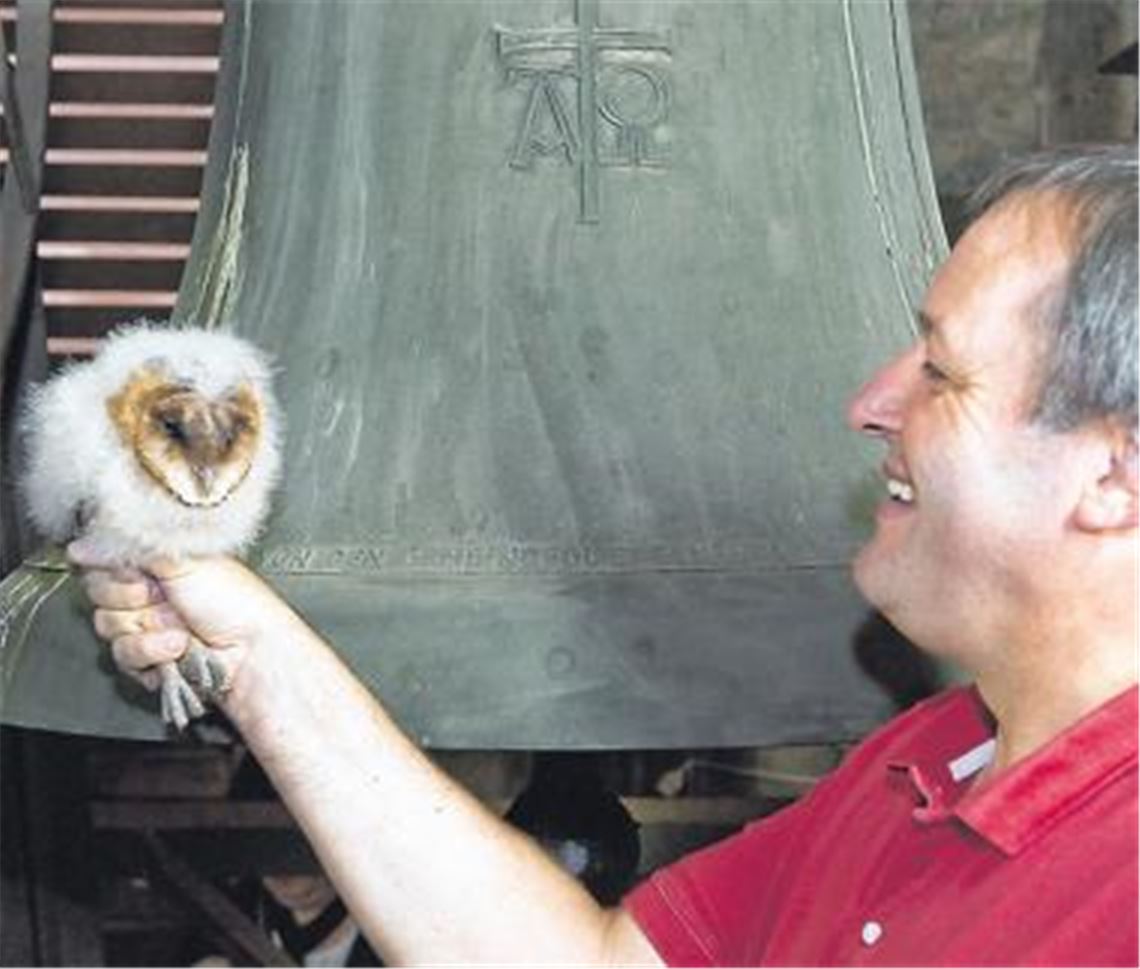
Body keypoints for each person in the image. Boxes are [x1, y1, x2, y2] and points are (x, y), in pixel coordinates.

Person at [71, 144, 1138, 966]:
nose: (870, 403)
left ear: (1114, 477)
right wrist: (256, 659)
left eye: (942, 375)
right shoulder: (928, 761)